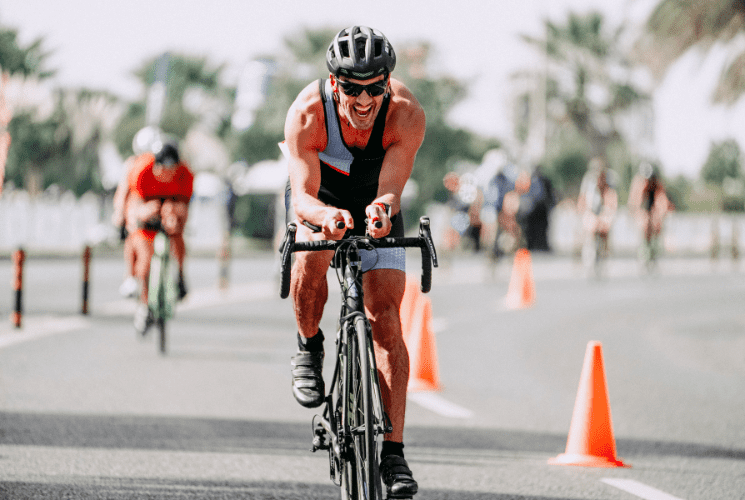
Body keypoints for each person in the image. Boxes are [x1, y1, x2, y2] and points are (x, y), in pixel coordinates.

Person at [282, 26, 424, 498]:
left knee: (386, 321)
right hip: (321, 199)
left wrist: (381, 211)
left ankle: (394, 453)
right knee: (313, 262)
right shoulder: (307, 114)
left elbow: (391, 189)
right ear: (332, 81)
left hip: (374, 199)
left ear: (388, 83)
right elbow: (302, 196)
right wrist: (326, 217)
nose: (363, 100)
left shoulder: (405, 115)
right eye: (351, 88)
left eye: (374, 87)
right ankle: (309, 345)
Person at [127, 138, 194, 334]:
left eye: (170, 170)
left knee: (178, 236)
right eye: (161, 169)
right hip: (147, 210)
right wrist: (142, 214)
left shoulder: (185, 175)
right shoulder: (141, 171)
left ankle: (180, 275)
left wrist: (176, 217)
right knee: (145, 259)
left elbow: (185, 206)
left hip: (172, 206)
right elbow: (134, 205)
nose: (165, 174)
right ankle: (145, 302)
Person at [112, 126, 163, 298]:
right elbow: (123, 191)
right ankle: (131, 276)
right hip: (138, 214)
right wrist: (119, 213)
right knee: (132, 237)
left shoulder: (164, 164)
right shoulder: (132, 165)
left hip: (158, 213)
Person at [576, 157, 618, 274]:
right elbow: (583, 198)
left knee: (605, 230)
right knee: (588, 230)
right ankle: (588, 258)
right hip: (591, 211)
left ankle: (605, 255)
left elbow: (612, 197)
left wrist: (609, 213)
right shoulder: (588, 180)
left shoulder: (609, 179)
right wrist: (582, 213)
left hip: (604, 210)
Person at [628, 161, 670, 267]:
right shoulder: (638, 183)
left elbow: (661, 198)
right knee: (644, 228)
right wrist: (635, 213)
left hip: (653, 209)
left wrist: (661, 212)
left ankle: (655, 250)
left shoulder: (656, 182)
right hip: (642, 210)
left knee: (657, 226)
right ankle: (643, 254)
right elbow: (634, 200)